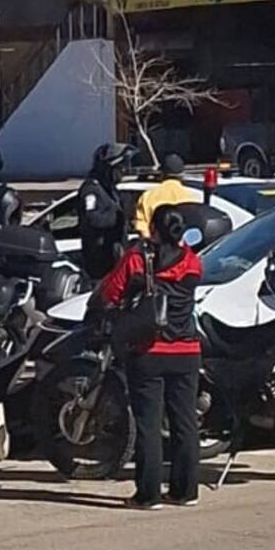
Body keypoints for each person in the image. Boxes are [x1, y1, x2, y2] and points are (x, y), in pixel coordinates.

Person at [92, 204, 202, 510]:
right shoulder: (193, 261)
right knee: (185, 422)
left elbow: (111, 293)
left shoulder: (138, 259)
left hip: (148, 350)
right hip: (187, 350)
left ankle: (148, 494)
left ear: (153, 229)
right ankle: (185, 491)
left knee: (148, 424)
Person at [77, 143, 132, 281]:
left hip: (115, 256)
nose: (124, 171)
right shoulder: (91, 189)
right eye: (120, 168)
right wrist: (117, 218)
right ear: (108, 168)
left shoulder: (111, 190)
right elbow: (92, 218)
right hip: (100, 260)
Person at [133, 154, 194, 238]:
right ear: (182, 175)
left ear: (162, 174)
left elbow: (143, 229)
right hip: (183, 243)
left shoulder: (148, 196)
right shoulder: (192, 196)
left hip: (158, 243)